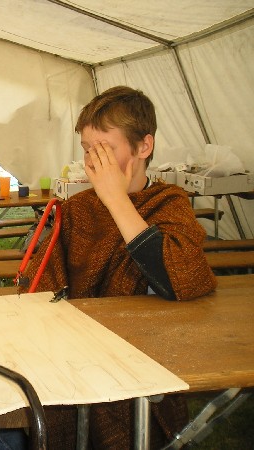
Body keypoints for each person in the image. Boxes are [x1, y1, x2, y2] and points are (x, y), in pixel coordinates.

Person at [21, 86, 217, 448]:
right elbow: (40, 283)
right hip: (81, 358)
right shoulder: (79, 209)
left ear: (144, 146)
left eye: (105, 150)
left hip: (152, 356)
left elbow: (184, 280)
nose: (93, 163)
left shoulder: (170, 203)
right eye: (87, 150)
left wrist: (115, 199)